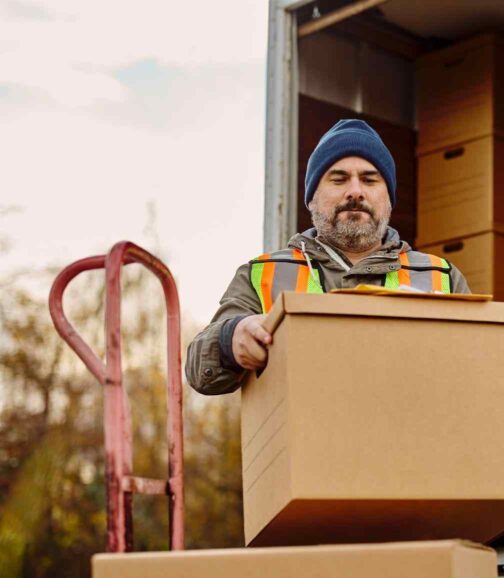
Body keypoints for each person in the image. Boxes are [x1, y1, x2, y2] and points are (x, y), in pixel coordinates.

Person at [186, 119, 471, 395]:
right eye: (339, 179)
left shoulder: (441, 277)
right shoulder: (262, 274)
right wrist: (229, 339)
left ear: (389, 199)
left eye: (370, 180)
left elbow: (476, 367)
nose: (355, 192)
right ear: (312, 198)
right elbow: (199, 371)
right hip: (304, 444)